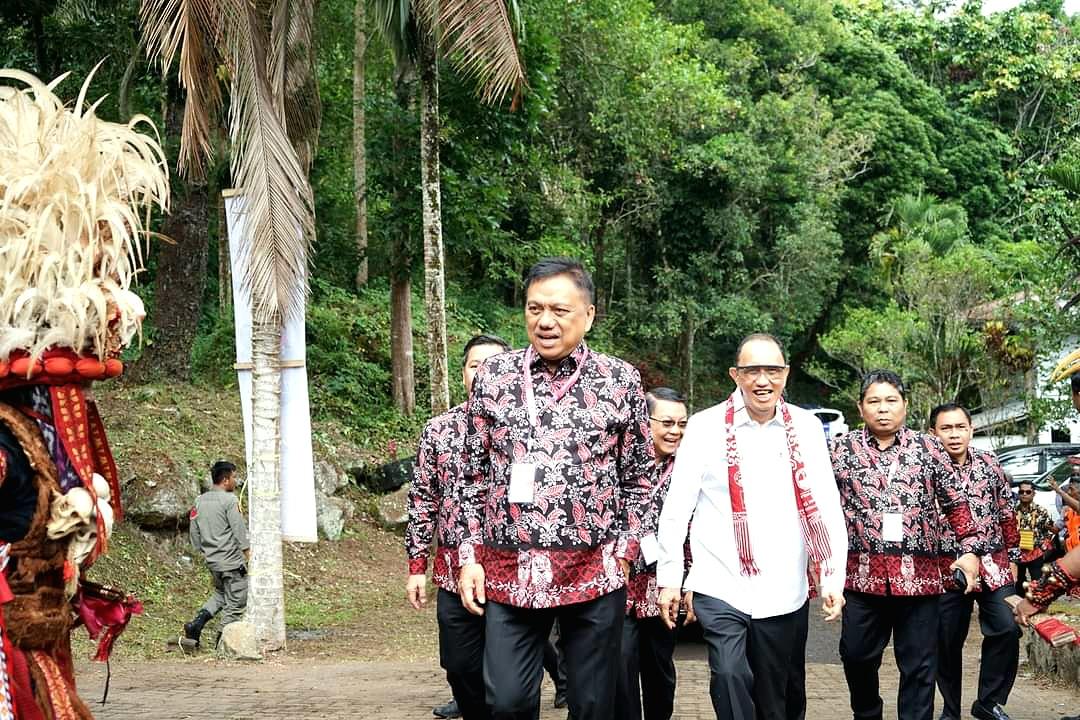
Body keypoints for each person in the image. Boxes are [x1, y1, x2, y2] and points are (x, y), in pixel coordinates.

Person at [456, 258, 657, 720]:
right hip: (509, 570)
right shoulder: (495, 377)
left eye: (559, 310)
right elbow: (471, 473)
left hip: (594, 570)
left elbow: (640, 478)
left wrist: (625, 550)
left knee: (591, 705)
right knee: (506, 701)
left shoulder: (619, 379)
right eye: (534, 308)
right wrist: (468, 556)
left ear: (588, 315)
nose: (545, 321)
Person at [655, 333, 849, 720]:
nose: (763, 380)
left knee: (777, 696)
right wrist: (670, 578)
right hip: (719, 580)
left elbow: (827, 505)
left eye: (772, 370)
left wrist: (833, 576)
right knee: (728, 674)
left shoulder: (807, 428)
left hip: (783, 588)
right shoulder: (705, 426)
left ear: (786, 374)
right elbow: (677, 507)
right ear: (735, 375)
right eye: (752, 370)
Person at [830, 370, 982, 720]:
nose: (883, 409)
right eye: (874, 401)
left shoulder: (930, 448)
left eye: (891, 401)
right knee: (855, 655)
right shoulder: (839, 449)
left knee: (919, 667)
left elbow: (957, 504)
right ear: (860, 406)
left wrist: (970, 551)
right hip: (861, 580)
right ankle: (867, 712)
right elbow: (820, 505)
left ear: (905, 405)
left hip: (921, 582)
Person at [407, 334, 512, 720]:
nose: (482, 373)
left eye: (493, 364)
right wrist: (417, 566)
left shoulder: (527, 431)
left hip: (509, 570)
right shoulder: (439, 430)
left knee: (509, 677)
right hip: (453, 572)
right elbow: (422, 501)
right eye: (474, 365)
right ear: (463, 373)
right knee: (460, 664)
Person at [929, 403, 1021, 720]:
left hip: (994, 564)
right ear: (933, 433)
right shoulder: (926, 469)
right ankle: (950, 710)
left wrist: (1014, 558)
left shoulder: (990, 464)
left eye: (959, 427)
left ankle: (988, 701)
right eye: (946, 428)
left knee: (1007, 629)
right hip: (946, 568)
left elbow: (1008, 513)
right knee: (946, 641)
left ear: (971, 429)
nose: (954, 435)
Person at [616, 387, 689, 720]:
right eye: (667, 422)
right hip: (621, 586)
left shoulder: (689, 469)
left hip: (664, 588)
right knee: (621, 668)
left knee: (660, 671)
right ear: (645, 422)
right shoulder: (620, 463)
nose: (675, 431)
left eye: (682, 424)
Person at [183, 460, 250, 649]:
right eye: (234, 477)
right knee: (237, 601)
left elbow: (194, 532)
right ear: (226, 479)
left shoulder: (199, 501)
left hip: (212, 561)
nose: (236, 481)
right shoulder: (230, 501)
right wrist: (247, 551)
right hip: (231, 562)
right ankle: (223, 642)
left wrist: (203, 550)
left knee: (221, 594)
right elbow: (238, 528)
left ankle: (196, 624)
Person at [1014, 479, 1056, 598]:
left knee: (1037, 580)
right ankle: (1021, 606)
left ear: (1033, 493)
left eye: (1028, 492)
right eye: (1022, 492)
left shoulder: (1041, 511)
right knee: (1019, 581)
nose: (1024, 494)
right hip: (1018, 552)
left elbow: (1051, 531)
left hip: (1035, 552)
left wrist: (1044, 546)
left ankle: (1038, 604)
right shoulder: (1013, 511)